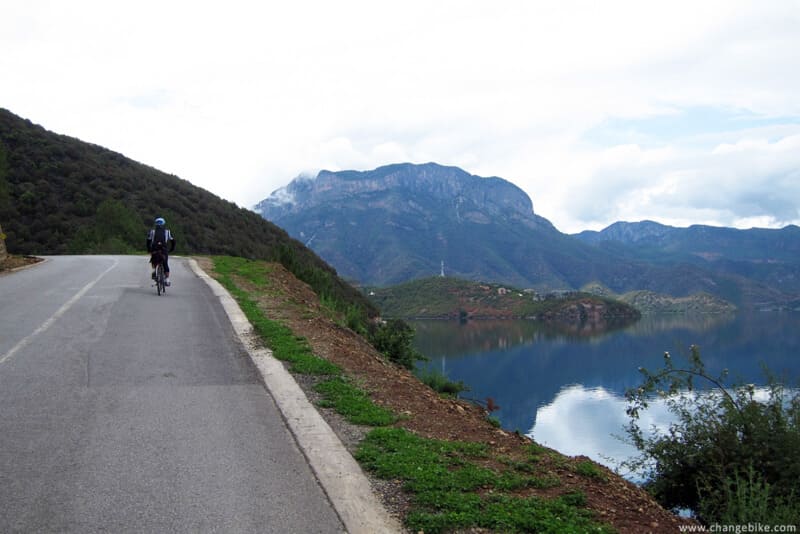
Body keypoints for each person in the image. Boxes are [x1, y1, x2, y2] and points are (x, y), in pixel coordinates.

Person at [147, 217, 176, 285]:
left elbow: (148, 241)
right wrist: (172, 249)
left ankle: (154, 272)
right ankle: (167, 279)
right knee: (165, 263)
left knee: (154, 260)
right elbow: (173, 241)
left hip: (155, 249)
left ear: (156, 224)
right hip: (163, 249)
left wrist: (149, 249)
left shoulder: (152, 232)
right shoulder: (167, 232)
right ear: (164, 224)